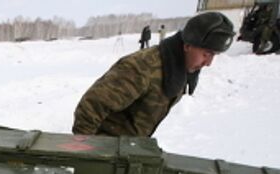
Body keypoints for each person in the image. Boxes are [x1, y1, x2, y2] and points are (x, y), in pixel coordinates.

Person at [72, 12, 234, 137]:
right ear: (187, 46)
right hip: (107, 153)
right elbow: (90, 107)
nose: (208, 63)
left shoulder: (180, 68)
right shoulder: (142, 68)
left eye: (214, 55)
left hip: (129, 150)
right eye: (206, 54)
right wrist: (88, 157)